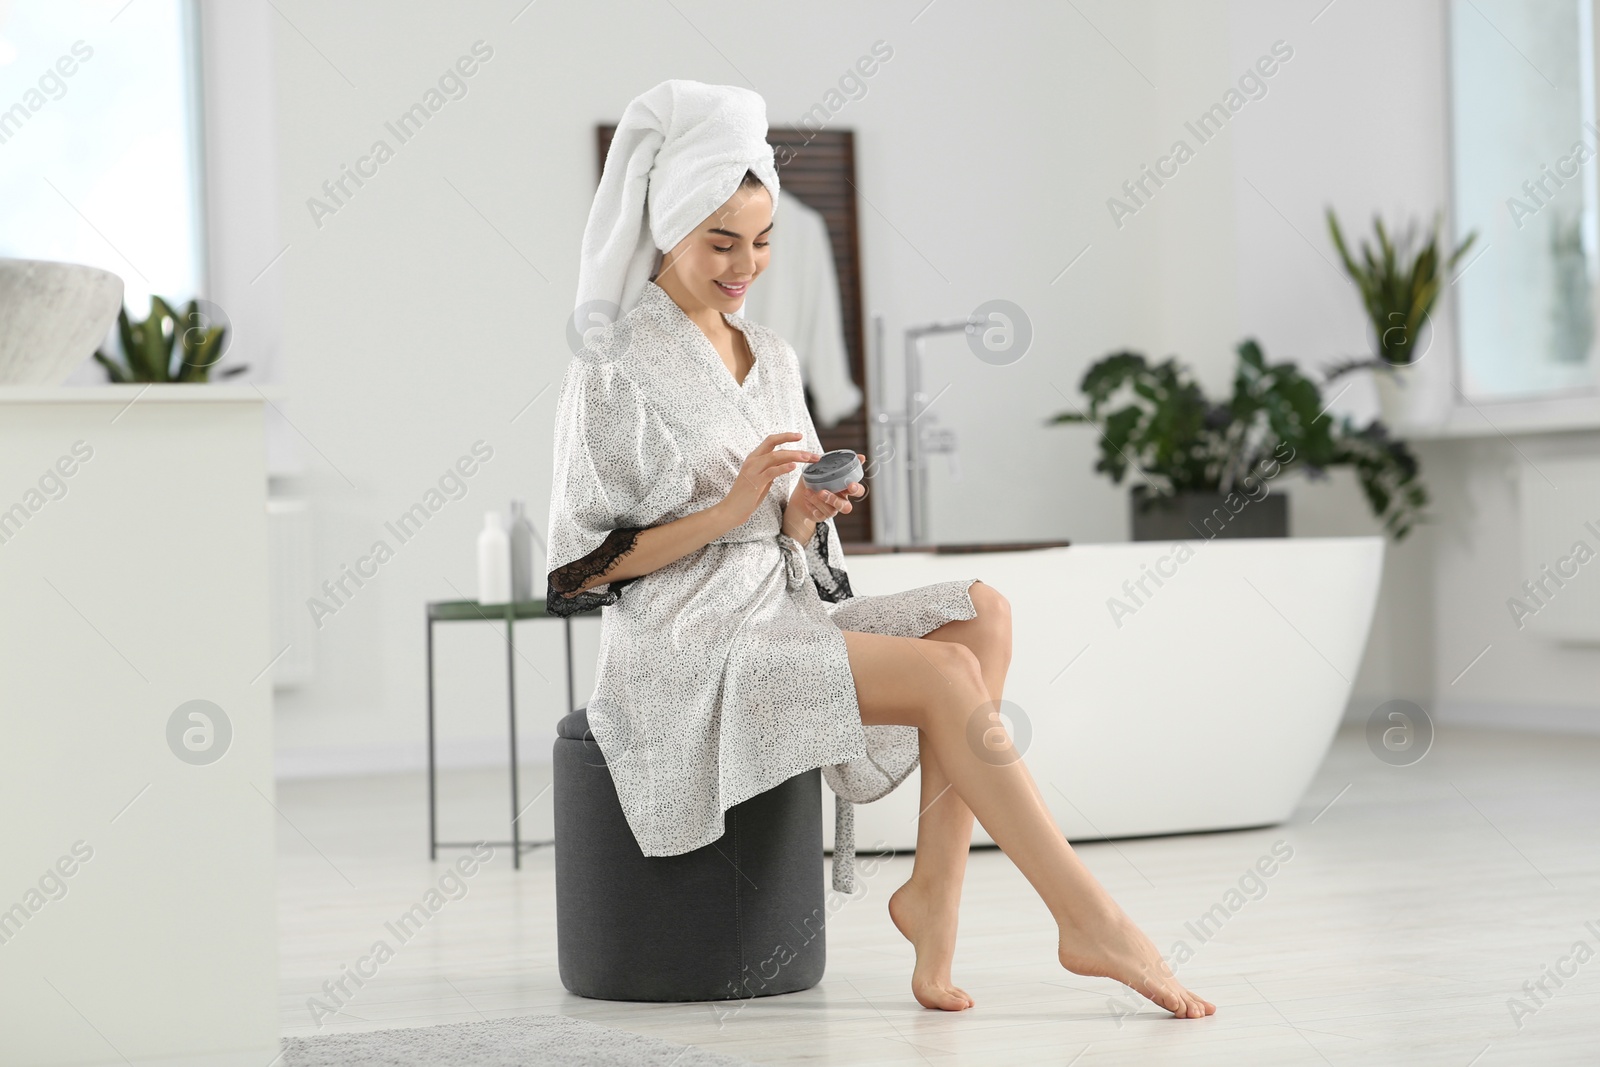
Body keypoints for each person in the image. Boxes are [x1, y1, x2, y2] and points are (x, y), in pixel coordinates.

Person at [546, 79, 1215, 1020]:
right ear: (668, 227)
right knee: (945, 678)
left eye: (764, 239)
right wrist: (734, 503)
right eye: (722, 242)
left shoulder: (772, 356)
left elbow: (782, 532)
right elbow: (578, 571)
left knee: (980, 613)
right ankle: (1088, 916)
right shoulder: (612, 364)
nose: (747, 265)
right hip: (686, 651)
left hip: (779, 609)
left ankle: (932, 897)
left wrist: (803, 511)